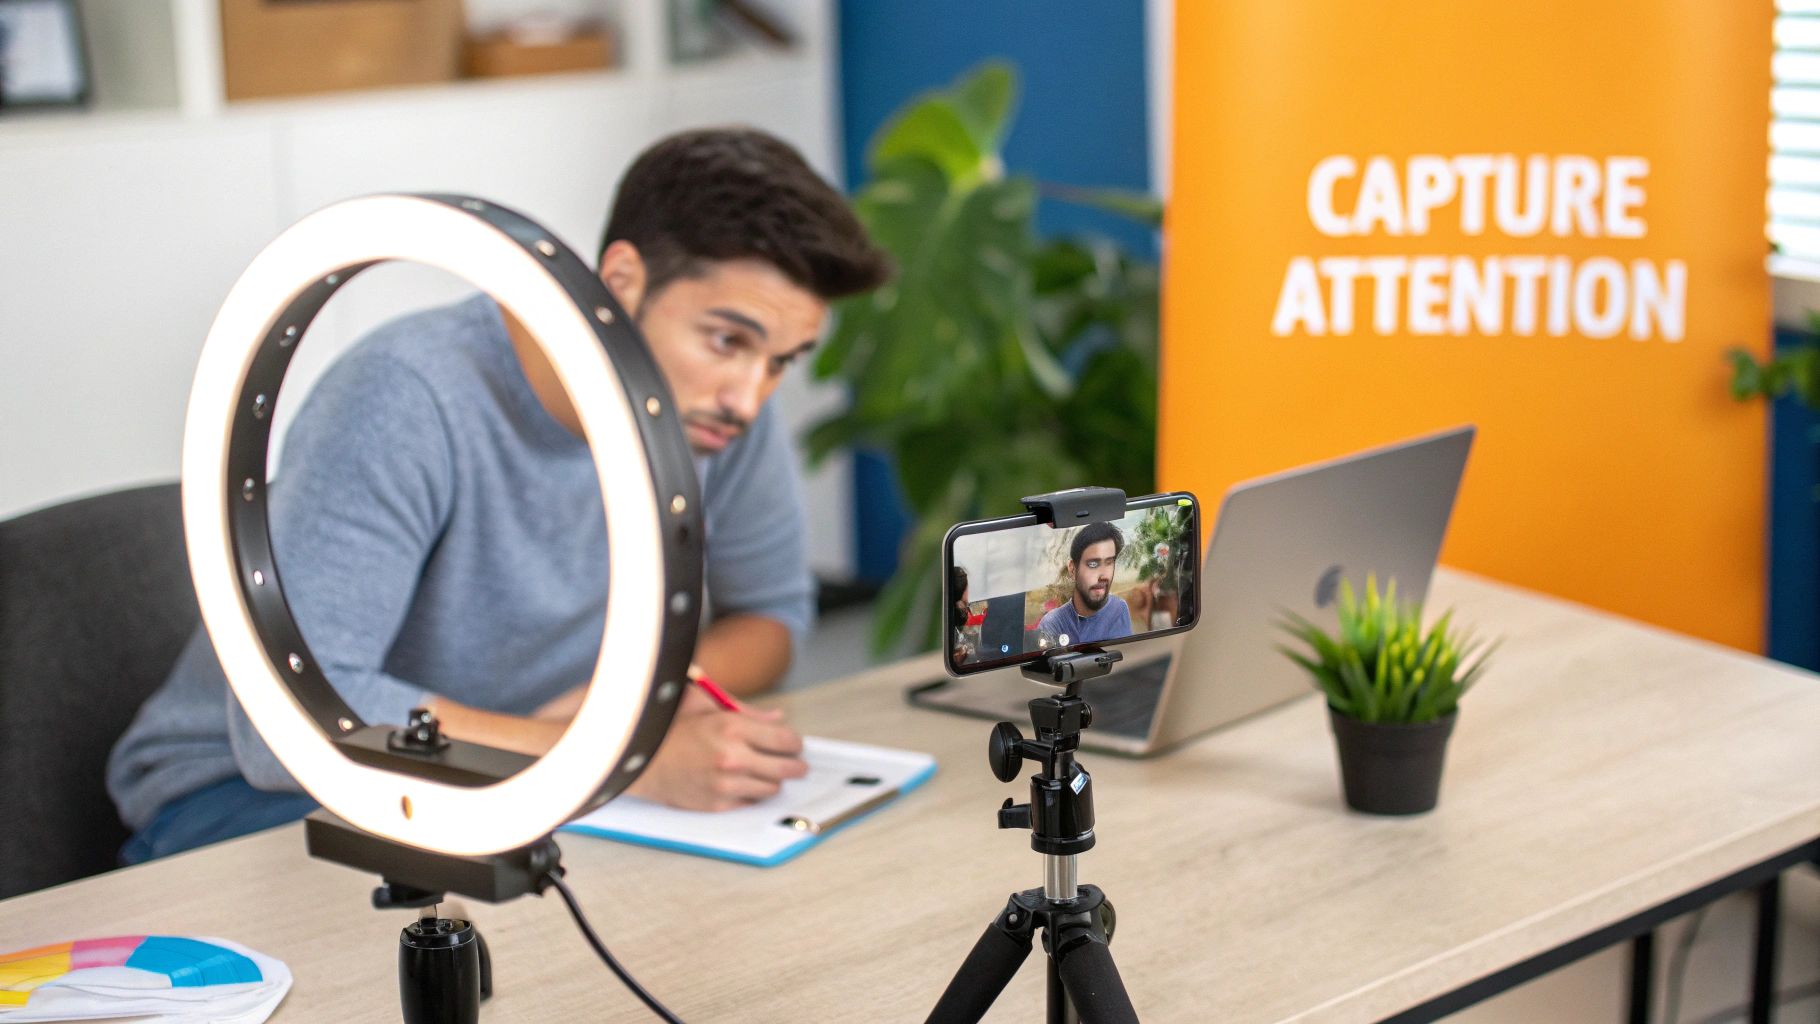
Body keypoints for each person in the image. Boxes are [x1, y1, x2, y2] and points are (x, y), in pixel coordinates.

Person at [107, 128, 892, 863]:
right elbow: (306, 718)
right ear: (621, 280)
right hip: (243, 796)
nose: (749, 397)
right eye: (727, 341)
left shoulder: (713, 416)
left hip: (507, 772)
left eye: (782, 360)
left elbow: (774, 618)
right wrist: (620, 753)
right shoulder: (407, 396)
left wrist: (611, 708)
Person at [1035, 522, 1133, 646]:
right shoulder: (1053, 623)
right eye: (1093, 564)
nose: (1103, 576)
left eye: (1109, 562)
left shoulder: (1119, 608)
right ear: (1072, 569)